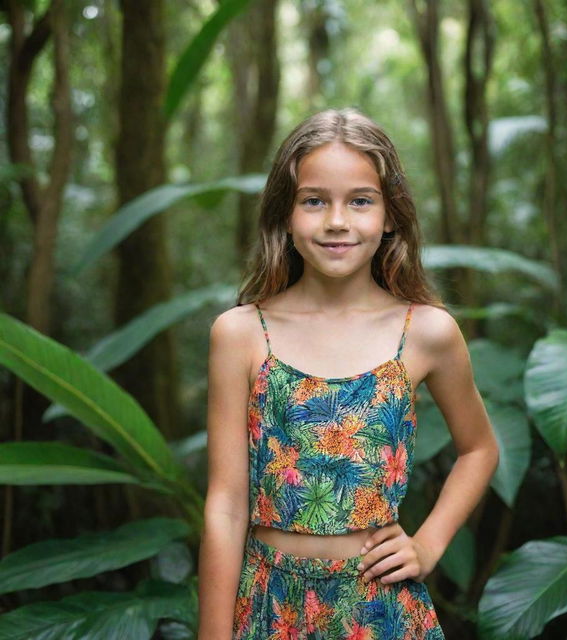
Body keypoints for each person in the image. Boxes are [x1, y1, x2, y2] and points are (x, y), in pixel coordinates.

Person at [197, 107, 499, 639]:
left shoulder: (425, 331)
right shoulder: (241, 333)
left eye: (360, 200)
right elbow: (225, 505)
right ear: (285, 216)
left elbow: (480, 449)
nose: (337, 221)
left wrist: (427, 544)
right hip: (270, 607)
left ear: (389, 216)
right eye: (314, 201)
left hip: (379, 609)